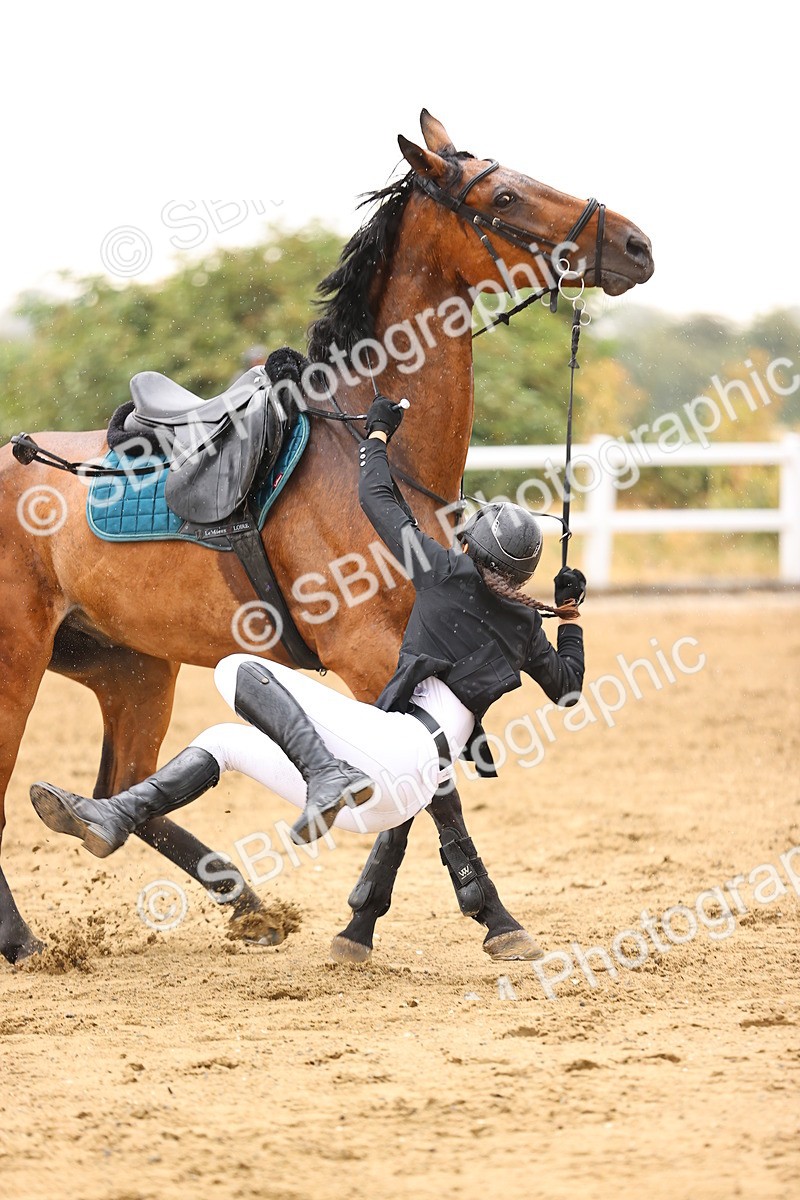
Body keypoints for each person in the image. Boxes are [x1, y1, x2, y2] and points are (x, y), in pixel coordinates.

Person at [30, 396, 586, 855]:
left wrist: (375, 438)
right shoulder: (526, 627)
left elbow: (376, 497)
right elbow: (568, 689)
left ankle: (326, 775)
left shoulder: (442, 572)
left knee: (237, 668)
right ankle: (114, 812)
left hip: (380, 762)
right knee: (224, 739)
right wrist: (568, 616)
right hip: (407, 792)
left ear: (472, 547)